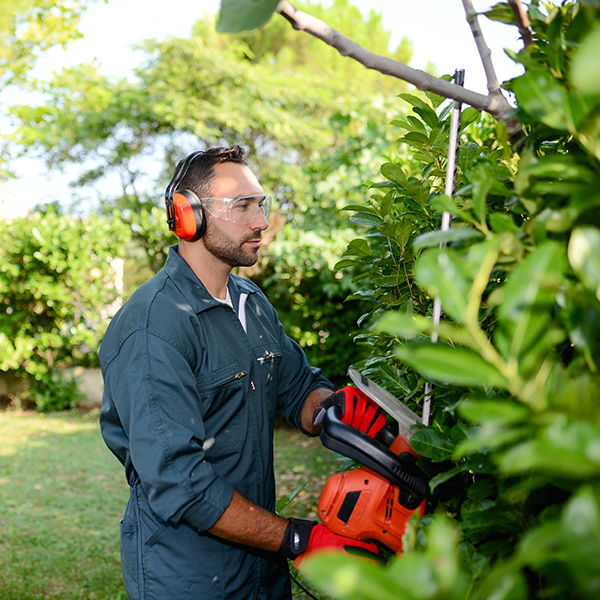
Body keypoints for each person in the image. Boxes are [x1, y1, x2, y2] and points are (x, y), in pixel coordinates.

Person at [99, 145, 387, 600]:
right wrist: (299, 538)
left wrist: (333, 409)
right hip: (188, 577)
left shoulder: (250, 301)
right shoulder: (156, 327)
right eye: (243, 206)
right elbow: (181, 484)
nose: (262, 221)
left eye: (261, 204)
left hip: (260, 569)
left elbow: (296, 389)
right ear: (188, 215)